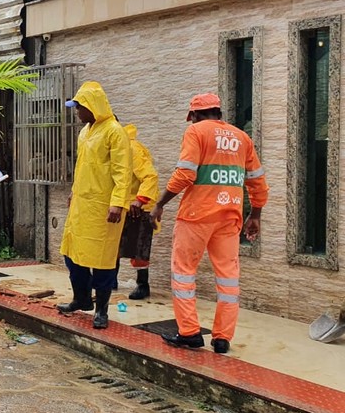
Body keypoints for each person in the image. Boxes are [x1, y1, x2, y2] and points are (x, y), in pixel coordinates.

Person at [152, 93, 269, 354]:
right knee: (228, 279)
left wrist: (160, 203)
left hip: (196, 216)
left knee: (183, 273)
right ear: (218, 112)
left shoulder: (196, 132)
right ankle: (222, 338)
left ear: (194, 115)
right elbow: (257, 180)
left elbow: (185, 173)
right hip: (229, 217)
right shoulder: (242, 138)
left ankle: (190, 333)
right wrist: (256, 214)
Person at [57, 81, 132, 329]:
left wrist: (118, 203)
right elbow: (83, 168)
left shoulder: (114, 131)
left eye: (79, 107)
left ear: (92, 107)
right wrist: (73, 192)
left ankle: (101, 309)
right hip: (81, 204)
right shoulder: (84, 132)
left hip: (104, 207)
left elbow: (123, 172)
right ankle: (81, 298)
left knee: (102, 260)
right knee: (72, 254)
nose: (77, 112)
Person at [121, 123, 160, 300]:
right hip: (122, 204)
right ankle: (109, 281)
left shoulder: (132, 149)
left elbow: (149, 176)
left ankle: (142, 285)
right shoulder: (117, 147)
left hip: (140, 207)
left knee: (139, 249)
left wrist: (140, 200)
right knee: (114, 247)